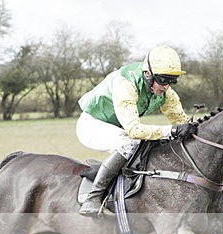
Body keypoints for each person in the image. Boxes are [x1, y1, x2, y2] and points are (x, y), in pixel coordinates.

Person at [76, 45, 198, 216]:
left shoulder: (165, 92)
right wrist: (172, 131)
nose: (167, 87)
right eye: (163, 80)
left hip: (117, 128)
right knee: (130, 143)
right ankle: (93, 198)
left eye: (172, 80)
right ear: (148, 74)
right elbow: (134, 130)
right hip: (92, 125)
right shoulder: (126, 83)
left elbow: (182, 122)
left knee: (152, 144)